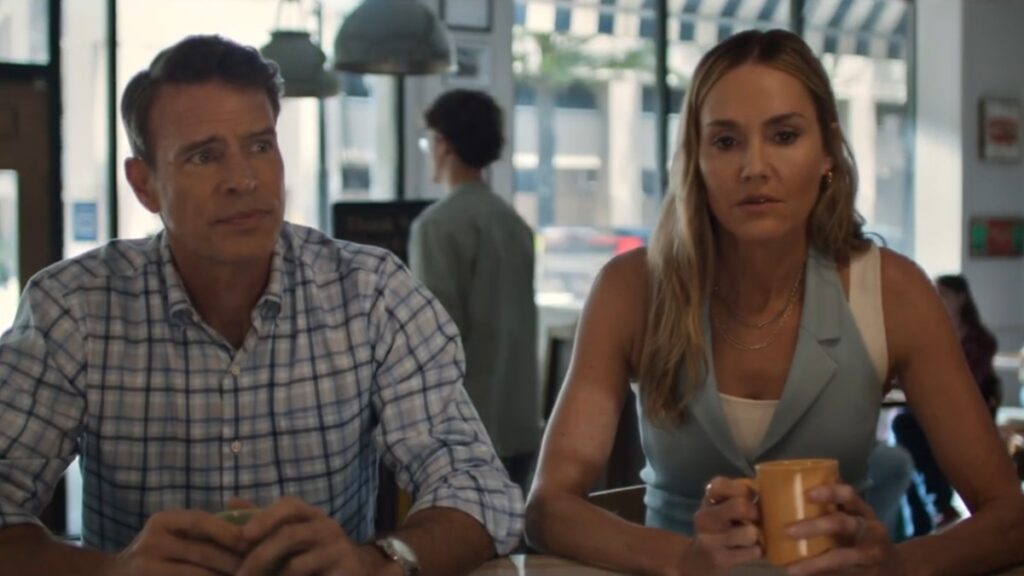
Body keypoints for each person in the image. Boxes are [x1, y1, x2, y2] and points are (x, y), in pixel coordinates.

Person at [0, 35, 522, 576]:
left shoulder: (371, 294)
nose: (244, 179)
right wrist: (109, 572)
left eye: (260, 146)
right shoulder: (75, 310)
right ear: (144, 184)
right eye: (205, 155)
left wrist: (377, 562)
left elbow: (479, 489)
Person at [524, 29, 1024, 576]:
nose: (754, 167)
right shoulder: (631, 289)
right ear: (695, 159)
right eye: (726, 141)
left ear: (828, 150)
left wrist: (900, 566)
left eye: (784, 136)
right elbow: (548, 508)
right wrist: (683, 560)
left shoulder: (893, 292)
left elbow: (1009, 517)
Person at [409, 89, 540, 490]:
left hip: (466, 430)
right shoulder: (513, 222)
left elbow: (435, 340)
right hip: (520, 423)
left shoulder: (437, 225)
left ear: (443, 143)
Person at [893, 274, 1000, 536]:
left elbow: (966, 383)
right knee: (903, 440)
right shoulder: (932, 333)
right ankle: (928, 518)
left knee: (908, 428)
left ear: (961, 298)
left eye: (944, 293)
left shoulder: (979, 340)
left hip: (965, 413)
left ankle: (936, 507)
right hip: (933, 409)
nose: (938, 298)